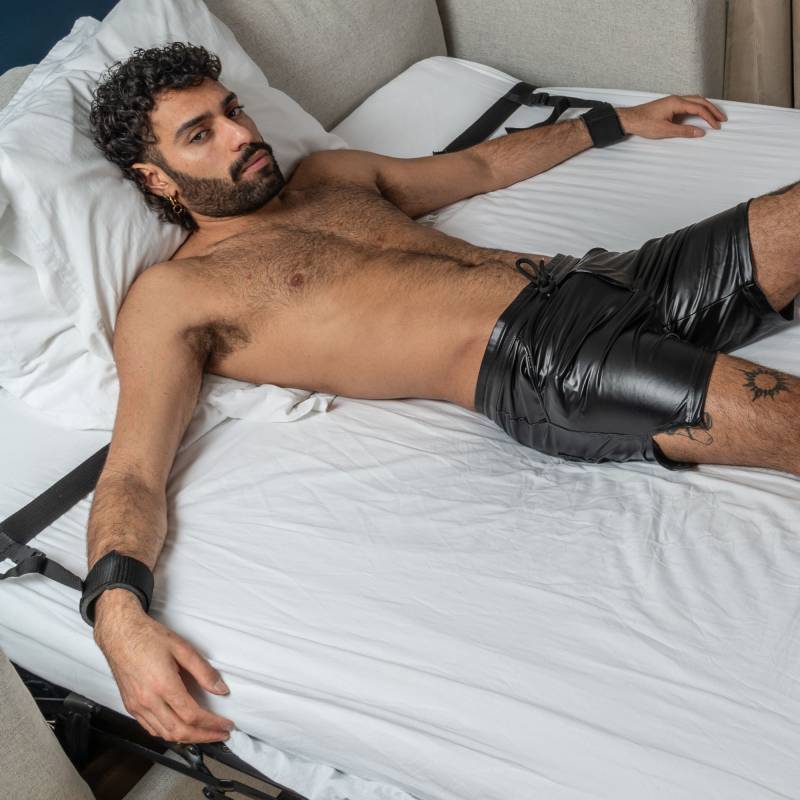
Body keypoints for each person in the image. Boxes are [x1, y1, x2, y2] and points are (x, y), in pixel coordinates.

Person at [84, 42, 798, 746]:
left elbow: (480, 166)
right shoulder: (176, 295)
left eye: (233, 110)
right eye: (201, 134)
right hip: (546, 361)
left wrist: (613, 122)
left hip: (612, 277)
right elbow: (133, 471)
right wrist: (116, 614)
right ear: (156, 177)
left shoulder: (331, 175)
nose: (241, 134)